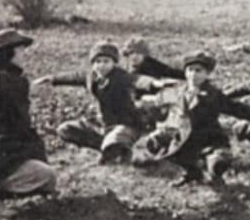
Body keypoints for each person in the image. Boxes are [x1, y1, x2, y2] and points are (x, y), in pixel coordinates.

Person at [137, 50, 250, 186]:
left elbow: (236, 108)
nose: (193, 75)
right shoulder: (178, 91)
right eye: (190, 70)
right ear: (185, 72)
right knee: (155, 143)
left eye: (199, 71)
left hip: (209, 139)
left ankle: (215, 173)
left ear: (207, 74)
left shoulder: (213, 95)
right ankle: (192, 172)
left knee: (218, 163)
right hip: (184, 138)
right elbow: (162, 109)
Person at [0, 29, 56, 215]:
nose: (23, 54)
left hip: (6, 145)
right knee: (46, 175)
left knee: (48, 181)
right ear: (7, 54)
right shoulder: (3, 79)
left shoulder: (16, 79)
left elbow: (7, 83)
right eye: (19, 50)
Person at [34, 41, 171, 165]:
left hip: (125, 124)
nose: (101, 65)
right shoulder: (91, 76)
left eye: (106, 61)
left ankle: (119, 150)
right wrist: (52, 79)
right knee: (65, 129)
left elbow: (136, 80)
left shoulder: (120, 76)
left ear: (114, 63)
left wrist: (153, 83)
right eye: (97, 61)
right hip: (103, 124)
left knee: (116, 139)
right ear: (93, 63)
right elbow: (74, 77)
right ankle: (108, 147)